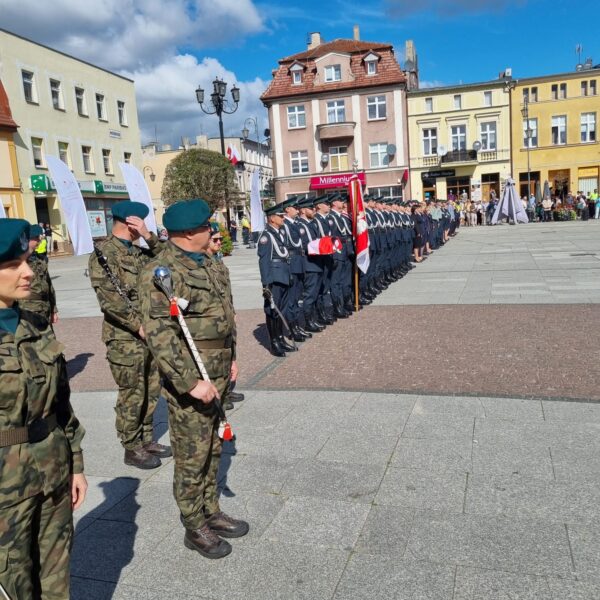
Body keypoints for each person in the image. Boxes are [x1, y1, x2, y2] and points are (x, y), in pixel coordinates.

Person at [139, 199, 249, 560]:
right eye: (207, 226)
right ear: (188, 233)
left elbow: (226, 315)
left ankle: (210, 509)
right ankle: (193, 523)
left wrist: (232, 358)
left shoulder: (212, 263)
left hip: (217, 367)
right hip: (192, 373)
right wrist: (190, 383)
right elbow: (160, 334)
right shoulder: (162, 272)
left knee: (215, 445)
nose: (213, 231)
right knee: (192, 452)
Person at [0, 218, 87, 598]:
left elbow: (62, 404)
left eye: (27, 260)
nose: (28, 272)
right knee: (14, 582)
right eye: (13, 265)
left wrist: (77, 465)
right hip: (5, 487)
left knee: (56, 574)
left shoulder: (36, 325)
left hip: (53, 468)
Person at [89, 201, 171, 469]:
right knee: (133, 392)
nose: (143, 228)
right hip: (125, 337)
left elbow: (169, 261)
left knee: (152, 387)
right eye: (140, 224)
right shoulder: (103, 254)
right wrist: (138, 325)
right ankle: (131, 445)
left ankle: (146, 438)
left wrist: (149, 236)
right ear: (129, 222)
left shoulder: (138, 251)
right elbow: (110, 301)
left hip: (148, 333)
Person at [206, 222, 244, 410]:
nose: (220, 242)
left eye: (221, 239)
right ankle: (221, 393)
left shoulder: (217, 259)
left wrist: (232, 311)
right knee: (220, 355)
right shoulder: (205, 262)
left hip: (227, 313)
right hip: (216, 318)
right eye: (216, 239)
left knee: (230, 350)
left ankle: (227, 389)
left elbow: (226, 291)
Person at [257, 204, 295, 357]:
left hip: (283, 276)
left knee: (281, 311)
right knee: (273, 311)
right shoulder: (266, 236)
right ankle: (274, 343)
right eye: (280, 216)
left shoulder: (279, 233)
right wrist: (266, 285)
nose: (283, 218)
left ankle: (280, 339)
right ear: (272, 218)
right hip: (274, 280)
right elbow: (264, 262)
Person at [19, 224, 59, 325]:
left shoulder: (41, 259)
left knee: (48, 340)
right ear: (27, 239)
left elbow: (49, 286)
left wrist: (53, 310)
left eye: (39, 238)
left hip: (44, 309)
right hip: (26, 311)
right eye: (36, 238)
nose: (39, 241)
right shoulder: (18, 261)